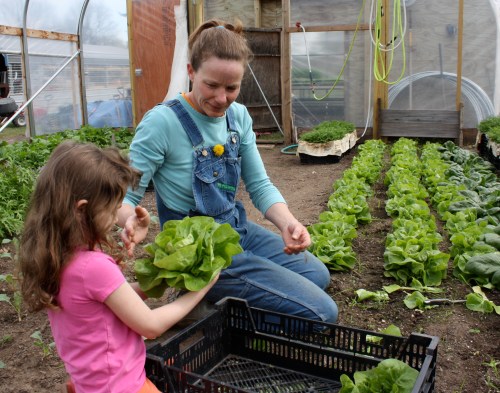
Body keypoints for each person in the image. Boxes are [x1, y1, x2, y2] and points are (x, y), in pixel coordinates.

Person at [118, 19, 338, 326]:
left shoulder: (238, 117)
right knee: (322, 314)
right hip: (195, 252)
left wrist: (288, 223)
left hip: (235, 230)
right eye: (211, 85)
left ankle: (208, 300)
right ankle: (203, 310)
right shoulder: (161, 124)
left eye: (231, 87)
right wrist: (129, 220)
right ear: (191, 72)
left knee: (317, 275)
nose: (222, 98)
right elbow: (124, 196)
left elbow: (260, 185)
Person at [18, 141, 218, 393]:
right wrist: (201, 288)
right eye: (112, 210)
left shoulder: (59, 256)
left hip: (90, 384)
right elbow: (151, 326)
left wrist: (162, 278)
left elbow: (112, 299)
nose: (115, 220)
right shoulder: (93, 267)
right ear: (82, 210)